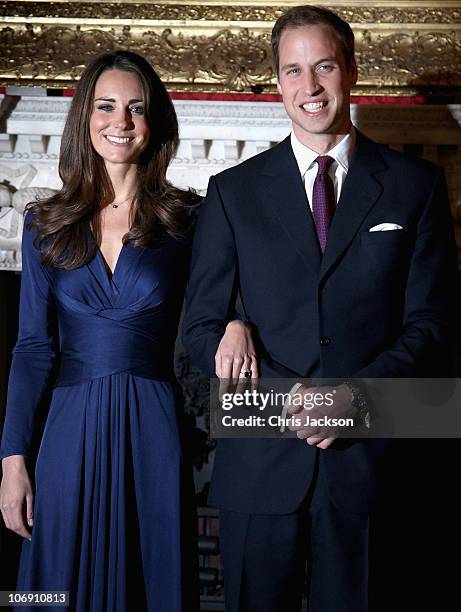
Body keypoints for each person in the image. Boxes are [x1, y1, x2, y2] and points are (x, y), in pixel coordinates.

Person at [182, 5, 457, 612]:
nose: (310, 88)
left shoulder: (415, 185)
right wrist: (251, 352)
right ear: (278, 82)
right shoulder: (234, 192)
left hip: (374, 462)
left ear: (351, 70)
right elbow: (198, 331)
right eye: (293, 71)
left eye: (324, 66)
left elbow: (434, 326)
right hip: (260, 456)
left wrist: (352, 399)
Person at [0, 50, 255, 611]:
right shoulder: (44, 225)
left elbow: (228, 299)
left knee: (151, 576)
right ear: (84, 119)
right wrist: (13, 459)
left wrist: (236, 320)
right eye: (106, 106)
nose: (121, 122)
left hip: (152, 424)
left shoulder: (189, 219)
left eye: (136, 108)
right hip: (67, 431)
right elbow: (32, 349)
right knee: (53, 584)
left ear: (154, 121)